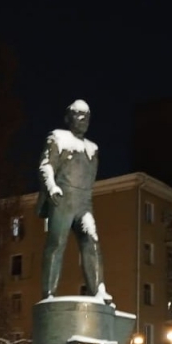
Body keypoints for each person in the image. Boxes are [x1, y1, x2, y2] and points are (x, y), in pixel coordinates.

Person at [37, 100, 111, 304]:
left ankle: (98, 290)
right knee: (56, 244)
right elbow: (46, 165)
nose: (84, 119)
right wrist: (51, 186)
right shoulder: (58, 137)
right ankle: (48, 293)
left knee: (91, 240)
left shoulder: (93, 148)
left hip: (84, 202)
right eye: (79, 115)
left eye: (87, 116)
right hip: (63, 198)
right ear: (68, 118)